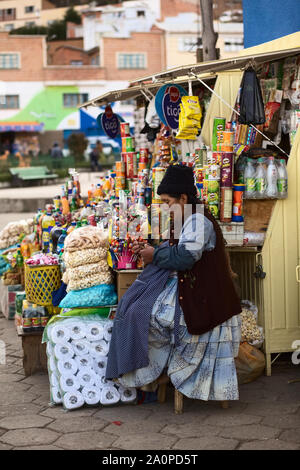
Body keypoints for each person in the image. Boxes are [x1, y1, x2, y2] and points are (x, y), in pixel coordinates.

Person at [106, 164, 242, 402]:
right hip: (190, 287)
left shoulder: (198, 221)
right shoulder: (185, 217)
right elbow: (175, 248)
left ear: (183, 197)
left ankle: (162, 374)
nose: (166, 208)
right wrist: (153, 250)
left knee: (145, 313)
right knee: (133, 307)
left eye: (168, 201)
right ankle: (152, 377)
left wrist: (154, 255)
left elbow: (186, 258)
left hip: (205, 297)